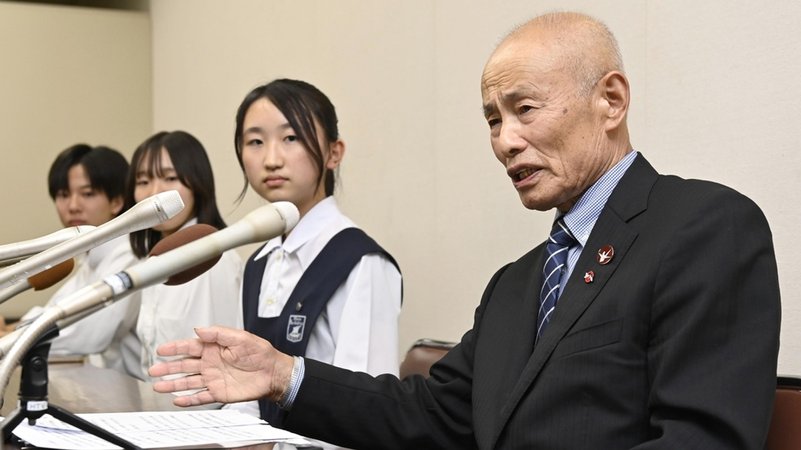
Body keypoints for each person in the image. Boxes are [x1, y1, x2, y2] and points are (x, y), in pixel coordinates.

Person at [149, 12, 781, 450]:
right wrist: (286, 374)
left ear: (611, 100)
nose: (505, 141)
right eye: (492, 120)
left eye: (524, 109)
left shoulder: (704, 227)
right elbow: (430, 414)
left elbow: (700, 440)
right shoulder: (515, 285)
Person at [226, 79, 402, 434]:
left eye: (290, 138)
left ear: (334, 153)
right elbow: (244, 393)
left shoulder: (362, 262)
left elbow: (367, 410)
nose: (271, 159)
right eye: (256, 142)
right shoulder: (258, 262)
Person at [0, 144, 141, 373]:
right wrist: (11, 330)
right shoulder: (90, 259)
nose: (73, 206)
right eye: (63, 195)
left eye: (87, 194)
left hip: (143, 395)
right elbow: (56, 310)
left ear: (117, 201)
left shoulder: (129, 255)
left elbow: (87, 333)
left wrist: (11, 337)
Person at [126, 130, 242, 380]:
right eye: (143, 182)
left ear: (197, 183)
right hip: (158, 407)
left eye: (170, 178)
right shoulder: (156, 257)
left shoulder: (212, 257)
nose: (154, 193)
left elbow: (215, 370)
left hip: (201, 413)